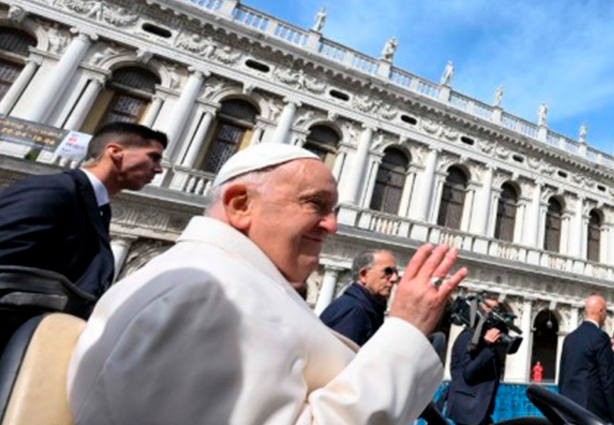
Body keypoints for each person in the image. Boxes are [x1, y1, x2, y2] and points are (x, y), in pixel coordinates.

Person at [67, 143, 467, 425]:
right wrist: (405, 330)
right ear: (241, 205)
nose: (332, 224)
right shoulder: (204, 294)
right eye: (315, 204)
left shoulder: (226, 283)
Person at [0, 122, 166, 299]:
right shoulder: (53, 190)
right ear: (115, 152)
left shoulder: (99, 208)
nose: (159, 169)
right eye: (153, 157)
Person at [557, 294, 614, 425]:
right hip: (591, 410)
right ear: (601, 311)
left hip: (568, 408)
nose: (606, 314)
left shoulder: (570, 338)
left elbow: (562, 375)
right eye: (605, 310)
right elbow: (607, 379)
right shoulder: (600, 338)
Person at [448, 295, 508, 425]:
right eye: (490, 308)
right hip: (467, 410)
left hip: (479, 410)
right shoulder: (467, 337)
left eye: (496, 309)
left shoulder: (482, 337)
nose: (493, 312)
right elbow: (469, 373)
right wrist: (487, 346)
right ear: (479, 308)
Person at [320, 248, 400, 345]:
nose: (394, 278)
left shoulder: (366, 308)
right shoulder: (353, 311)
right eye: (388, 271)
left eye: (396, 273)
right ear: (364, 275)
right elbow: (340, 358)